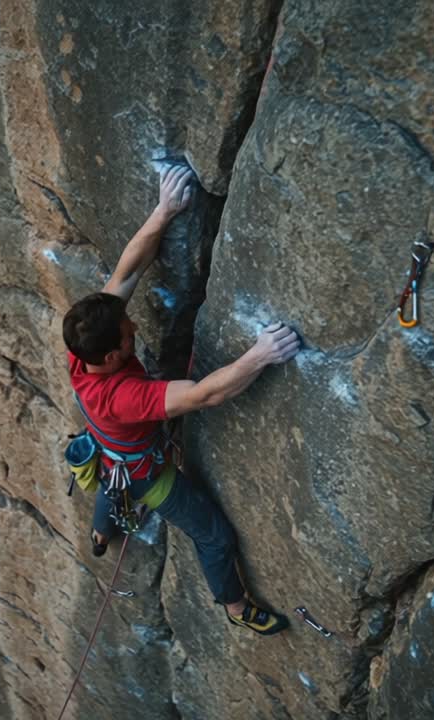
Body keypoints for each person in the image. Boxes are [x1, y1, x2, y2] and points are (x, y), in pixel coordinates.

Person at [62, 164, 301, 635]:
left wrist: (164, 210)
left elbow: (127, 272)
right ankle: (236, 608)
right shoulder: (125, 395)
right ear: (112, 356)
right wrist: (261, 354)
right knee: (213, 535)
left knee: (113, 482)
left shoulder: (82, 345)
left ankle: (100, 532)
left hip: (112, 450)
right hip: (148, 472)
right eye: (129, 336)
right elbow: (206, 394)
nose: (134, 329)